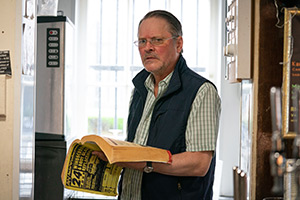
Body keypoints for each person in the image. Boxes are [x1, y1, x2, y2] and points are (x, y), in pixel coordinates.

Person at [93, 10, 221, 200]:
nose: (148, 48)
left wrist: (138, 162)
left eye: (157, 40)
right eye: (142, 41)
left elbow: (199, 163)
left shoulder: (201, 91)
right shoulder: (139, 89)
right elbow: (138, 147)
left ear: (179, 44)